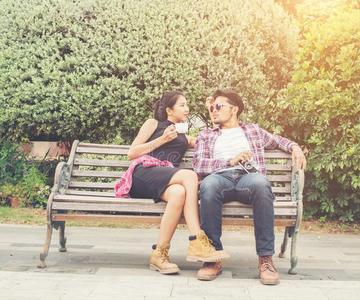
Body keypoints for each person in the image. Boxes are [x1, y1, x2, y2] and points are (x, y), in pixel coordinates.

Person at [192, 89, 306, 285]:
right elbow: (199, 164)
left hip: (249, 178)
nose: (214, 110)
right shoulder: (206, 135)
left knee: (261, 184)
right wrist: (229, 161)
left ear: (234, 109)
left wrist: (295, 147)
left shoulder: (253, 131)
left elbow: (279, 141)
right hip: (220, 178)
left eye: (219, 106)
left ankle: (265, 260)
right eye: (212, 107)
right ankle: (212, 257)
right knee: (208, 186)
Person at [115, 91, 229, 275]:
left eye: (187, 105)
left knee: (178, 193)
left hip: (165, 181)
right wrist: (162, 140)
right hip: (143, 174)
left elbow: (211, 137)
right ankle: (196, 239)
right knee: (190, 176)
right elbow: (131, 153)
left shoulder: (183, 134)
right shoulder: (153, 124)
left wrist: (211, 111)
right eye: (182, 105)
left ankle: (159, 255)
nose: (187, 109)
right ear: (169, 109)